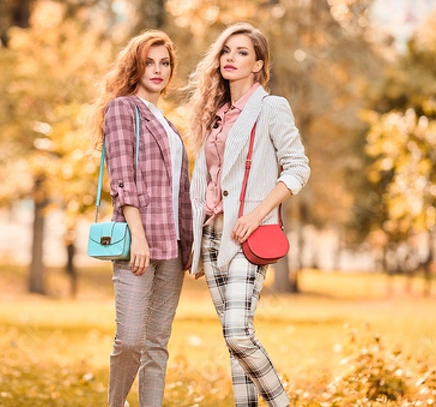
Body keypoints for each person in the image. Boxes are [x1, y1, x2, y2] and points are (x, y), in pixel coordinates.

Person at [185, 22, 310, 407]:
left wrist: (257, 214)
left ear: (259, 65)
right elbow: (204, 180)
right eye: (226, 51)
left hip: (248, 236)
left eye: (242, 53)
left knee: (239, 333)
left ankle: (281, 403)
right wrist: (193, 240)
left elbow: (298, 168)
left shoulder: (271, 107)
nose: (231, 59)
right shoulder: (216, 115)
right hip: (211, 237)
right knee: (232, 339)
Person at [91, 30, 193, 407]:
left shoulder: (169, 125)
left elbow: (182, 193)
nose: (158, 70)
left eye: (165, 63)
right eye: (149, 62)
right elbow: (122, 178)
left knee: (156, 344)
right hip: (139, 242)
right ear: (135, 65)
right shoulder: (122, 109)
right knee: (130, 339)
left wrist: (190, 246)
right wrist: (138, 236)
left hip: (173, 245)